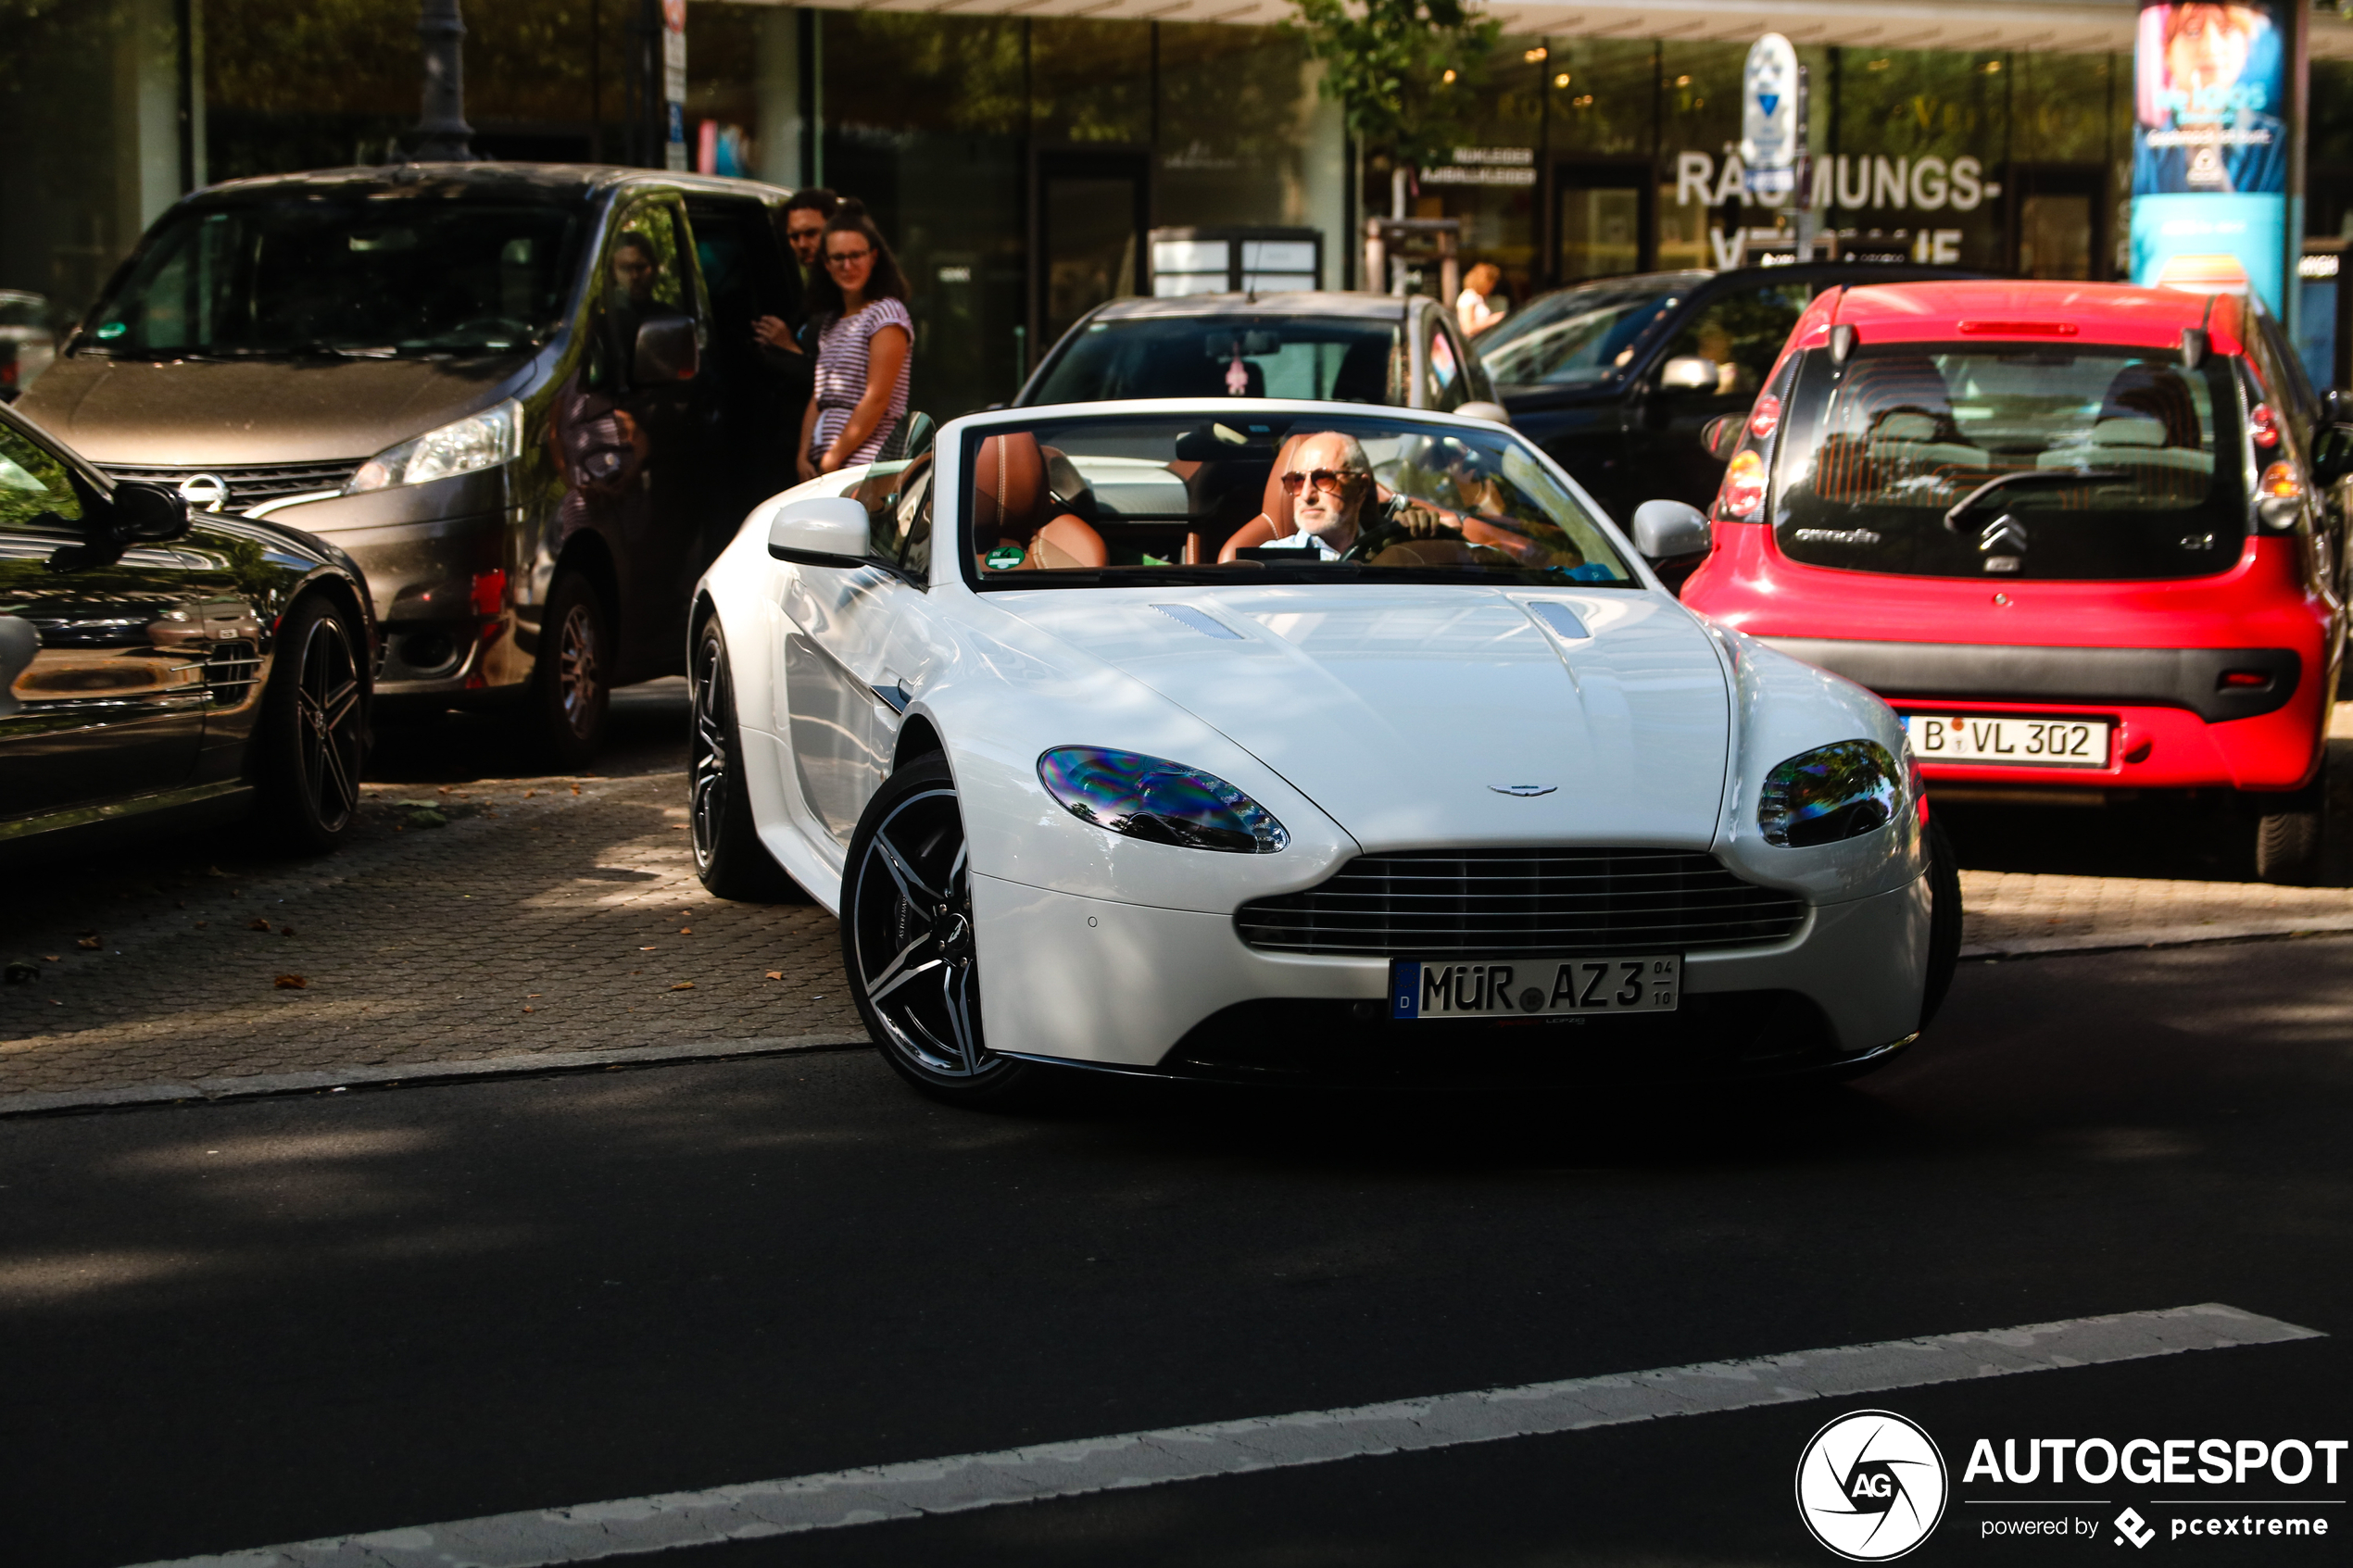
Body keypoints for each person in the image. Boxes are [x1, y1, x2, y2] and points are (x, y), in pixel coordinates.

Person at [797, 202, 913, 479]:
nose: (847, 266)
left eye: (856, 256)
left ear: (873, 257)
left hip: (864, 469)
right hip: (827, 468)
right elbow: (819, 397)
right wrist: (803, 456)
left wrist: (832, 458)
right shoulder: (832, 322)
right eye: (838, 258)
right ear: (826, 264)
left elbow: (877, 398)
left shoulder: (887, 313)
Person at [1456, 263, 1507, 337]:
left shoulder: (1480, 298)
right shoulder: (1468, 297)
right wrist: (1493, 319)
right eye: (1490, 284)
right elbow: (1467, 328)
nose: (1492, 288)